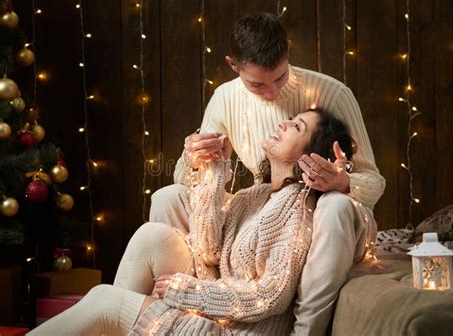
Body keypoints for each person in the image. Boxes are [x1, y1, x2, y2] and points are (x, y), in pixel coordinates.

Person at [149, 13, 385, 335]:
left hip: (329, 207)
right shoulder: (226, 98)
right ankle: (202, 309)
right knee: (168, 197)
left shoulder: (332, 93)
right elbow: (186, 180)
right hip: (272, 199)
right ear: (233, 65)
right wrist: (193, 159)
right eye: (257, 84)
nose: (272, 93)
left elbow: (374, 182)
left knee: (335, 207)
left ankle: (304, 331)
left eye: (280, 77)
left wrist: (343, 182)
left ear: (287, 50)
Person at [27, 108, 360, 335]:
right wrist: (215, 173)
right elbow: (207, 250)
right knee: (152, 236)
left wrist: (188, 291)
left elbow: (271, 296)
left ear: (311, 155)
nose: (283, 124)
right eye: (290, 119)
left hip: (234, 332)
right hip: (219, 313)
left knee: (104, 301)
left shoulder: (299, 208)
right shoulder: (254, 196)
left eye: (297, 127)